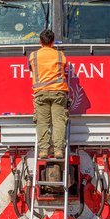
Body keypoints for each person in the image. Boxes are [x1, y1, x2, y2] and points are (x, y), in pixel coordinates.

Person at [27, 29, 68, 158]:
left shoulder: (33, 56)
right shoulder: (60, 55)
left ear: (40, 42)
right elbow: (64, 67)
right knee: (59, 122)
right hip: (58, 92)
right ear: (53, 42)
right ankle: (59, 150)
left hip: (41, 93)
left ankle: (44, 150)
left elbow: (31, 68)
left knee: (42, 122)